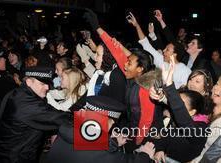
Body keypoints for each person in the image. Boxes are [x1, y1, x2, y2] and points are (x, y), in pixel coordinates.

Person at [83, 8, 163, 151]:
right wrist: (97, 27)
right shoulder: (133, 74)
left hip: (145, 136)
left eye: (129, 63)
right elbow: (115, 50)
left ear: (140, 69)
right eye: (127, 61)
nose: (125, 64)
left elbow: (146, 120)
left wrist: (136, 143)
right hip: (130, 127)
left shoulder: (147, 88)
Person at [0, 65, 70, 163]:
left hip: (7, 152)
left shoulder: (21, 93)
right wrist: (90, 119)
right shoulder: (27, 104)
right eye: (42, 83)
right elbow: (59, 118)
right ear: (29, 82)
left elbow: (48, 110)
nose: (47, 87)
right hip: (13, 157)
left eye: (48, 84)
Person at [46, 96, 156, 163]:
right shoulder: (101, 154)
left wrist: (113, 142)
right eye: (112, 122)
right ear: (110, 121)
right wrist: (145, 155)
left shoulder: (66, 130)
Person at [153, 56, 209, 162]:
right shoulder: (183, 94)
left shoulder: (201, 124)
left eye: (197, 81)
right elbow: (171, 132)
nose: (191, 83)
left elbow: (183, 120)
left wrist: (169, 86)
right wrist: (160, 148)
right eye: (191, 79)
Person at [127, 11, 191, 89]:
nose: (163, 50)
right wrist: (136, 25)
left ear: (174, 54)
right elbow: (145, 43)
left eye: (167, 50)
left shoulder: (185, 71)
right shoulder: (161, 60)